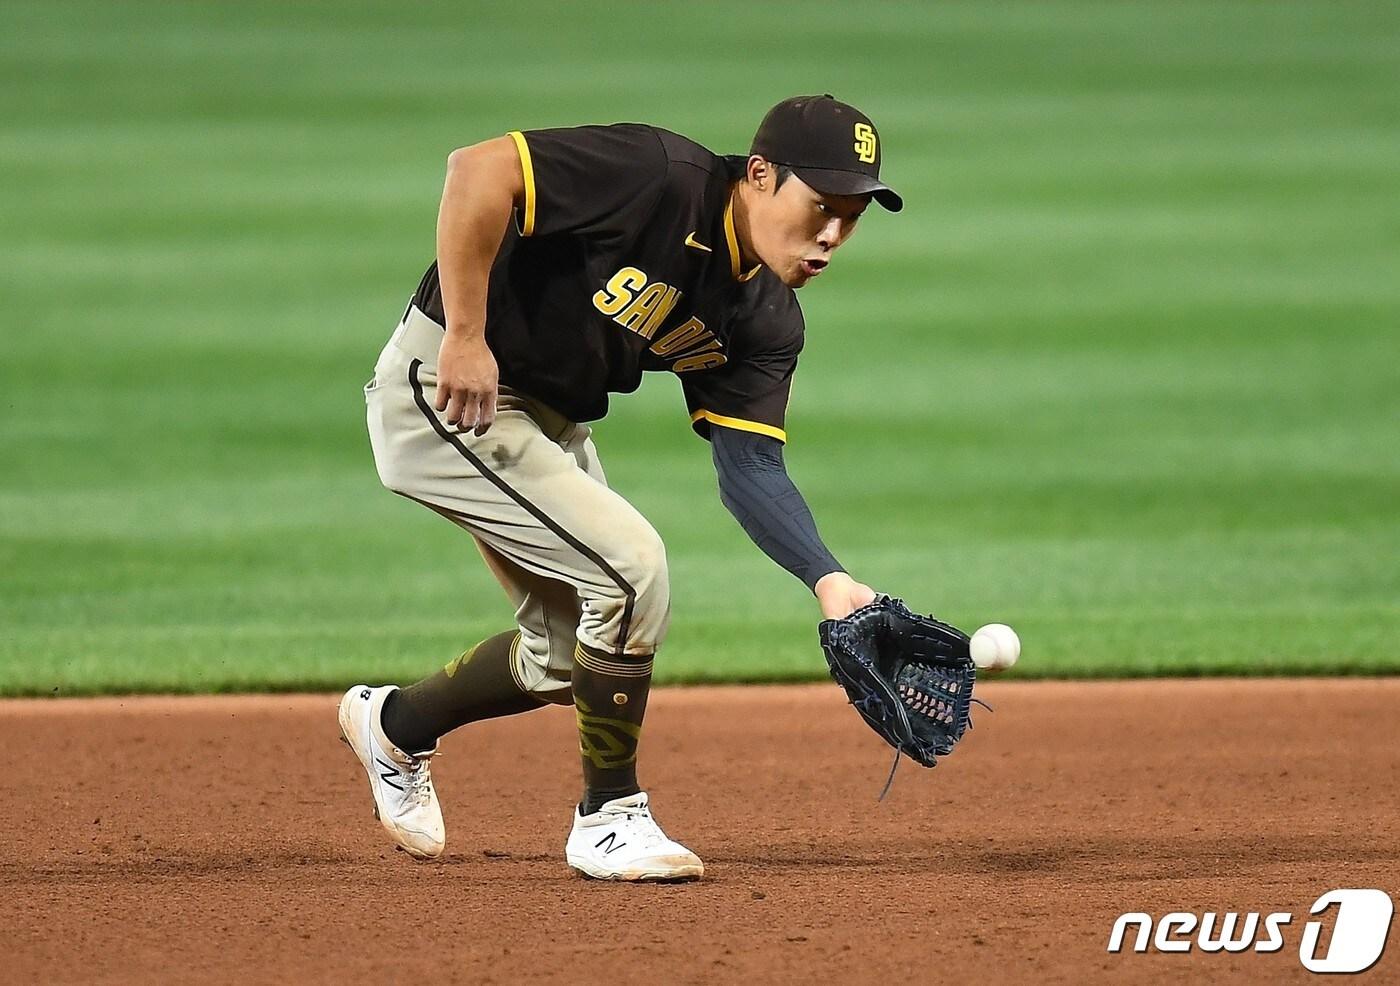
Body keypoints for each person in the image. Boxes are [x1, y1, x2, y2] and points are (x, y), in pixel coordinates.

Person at [338, 94, 903, 882]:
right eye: (821, 207)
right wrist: (466, 335)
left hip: (547, 422)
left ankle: (392, 726)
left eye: (853, 216)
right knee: (632, 569)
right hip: (446, 388)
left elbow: (751, 468)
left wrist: (828, 578)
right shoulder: (658, 177)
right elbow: (477, 171)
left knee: (566, 659)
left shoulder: (766, 318)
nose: (834, 235)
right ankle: (610, 817)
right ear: (762, 174)